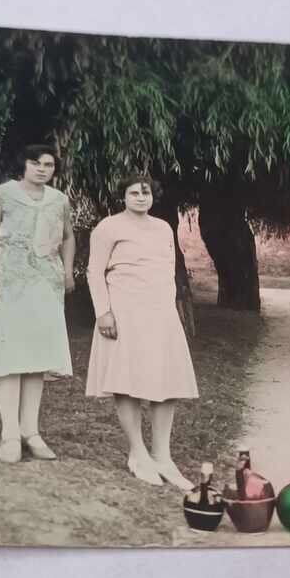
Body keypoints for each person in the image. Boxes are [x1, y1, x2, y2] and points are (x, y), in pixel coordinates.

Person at [0, 145, 76, 463]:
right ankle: (9, 433)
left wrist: (66, 271)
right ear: (23, 164)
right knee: (9, 354)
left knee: (36, 355)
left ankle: (30, 431)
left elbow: (67, 236)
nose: (42, 168)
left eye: (48, 164)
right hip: (8, 281)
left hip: (45, 284)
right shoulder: (2, 195)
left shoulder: (59, 200)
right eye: (35, 162)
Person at [85, 176, 198, 491]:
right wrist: (103, 312)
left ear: (154, 196)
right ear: (123, 196)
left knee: (168, 381)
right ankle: (138, 453)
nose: (139, 197)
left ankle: (163, 456)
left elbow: (166, 270)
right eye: (133, 192)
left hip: (160, 312)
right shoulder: (108, 227)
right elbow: (94, 271)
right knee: (127, 380)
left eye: (145, 192)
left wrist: (171, 308)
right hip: (124, 311)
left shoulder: (163, 228)